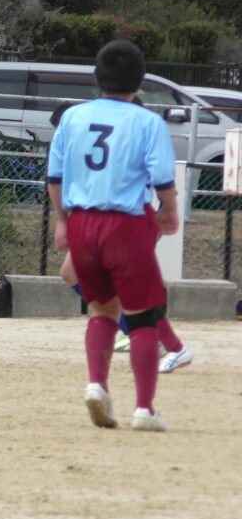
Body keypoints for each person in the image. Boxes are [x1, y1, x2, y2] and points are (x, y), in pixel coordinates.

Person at [47, 40, 179, 432]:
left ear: (97, 78)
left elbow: (55, 176)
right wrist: (169, 210)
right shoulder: (147, 121)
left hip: (82, 223)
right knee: (143, 317)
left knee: (101, 310)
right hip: (126, 224)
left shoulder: (73, 117)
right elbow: (162, 176)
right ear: (140, 81)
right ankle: (144, 409)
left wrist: (63, 222)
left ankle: (97, 385)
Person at [49, 98, 193, 373]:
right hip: (110, 223)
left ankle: (162, 341)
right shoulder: (109, 138)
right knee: (76, 274)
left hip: (126, 221)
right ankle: (151, 337)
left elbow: (162, 181)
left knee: (129, 289)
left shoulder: (128, 136)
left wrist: (163, 214)